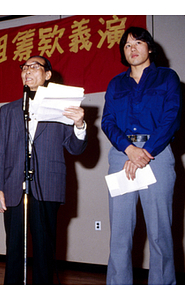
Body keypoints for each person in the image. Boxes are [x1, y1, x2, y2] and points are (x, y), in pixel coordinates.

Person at [0, 55, 87, 284]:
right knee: (14, 249)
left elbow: (75, 148)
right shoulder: (7, 111)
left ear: (48, 75)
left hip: (47, 187)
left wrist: (79, 124)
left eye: (34, 67)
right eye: (24, 67)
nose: (27, 71)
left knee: (45, 250)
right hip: (14, 188)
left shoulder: (63, 108)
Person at [102, 27, 182, 285]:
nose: (132, 48)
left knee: (160, 234)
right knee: (120, 235)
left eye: (137, 42)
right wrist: (129, 149)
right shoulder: (116, 83)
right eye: (126, 45)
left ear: (149, 47)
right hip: (121, 157)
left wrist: (145, 152)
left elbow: (172, 117)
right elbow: (108, 121)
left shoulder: (167, 77)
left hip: (156, 156)